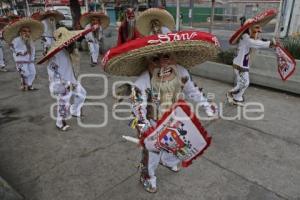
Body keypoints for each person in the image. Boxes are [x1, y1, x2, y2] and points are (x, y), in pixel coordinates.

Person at [102, 31, 220, 193]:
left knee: (180, 146)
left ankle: (169, 161)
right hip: (153, 124)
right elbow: (137, 111)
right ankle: (147, 176)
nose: (162, 65)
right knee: (152, 154)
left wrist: (207, 106)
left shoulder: (181, 71)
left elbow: (193, 91)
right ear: (147, 63)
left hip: (177, 119)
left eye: (167, 57)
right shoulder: (141, 83)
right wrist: (146, 131)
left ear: (174, 58)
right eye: (155, 59)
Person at [37, 27, 90, 131]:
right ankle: (59, 123)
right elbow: (53, 71)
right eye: (71, 40)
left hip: (71, 80)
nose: (73, 42)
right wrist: (65, 84)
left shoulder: (67, 50)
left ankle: (74, 111)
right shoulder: (55, 54)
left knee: (82, 94)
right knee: (63, 103)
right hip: (61, 83)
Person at [227, 9, 278, 106]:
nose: (259, 30)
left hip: (241, 63)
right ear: (250, 27)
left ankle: (237, 98)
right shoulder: (246, 38)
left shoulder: (247, 36)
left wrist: (267, 42)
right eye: (257, 27)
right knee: (244, 83)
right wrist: (270, 43)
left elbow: (257, 41)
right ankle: (231, 93)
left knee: (243, 82)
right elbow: (256, 43)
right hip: (240, 65)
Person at [2, 18, 43, 90]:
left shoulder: (30, 40)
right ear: (20, 32)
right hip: (20, 60)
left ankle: (29, 85)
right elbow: (13, 48)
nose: (27, 33)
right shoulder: (16, 40)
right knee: (25, 73)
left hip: (30, 60)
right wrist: (21, 52)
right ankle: (24, 86)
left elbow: (33, 50)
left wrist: (32, 57)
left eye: (28, 31)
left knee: (33, 73)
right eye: (24, 31)